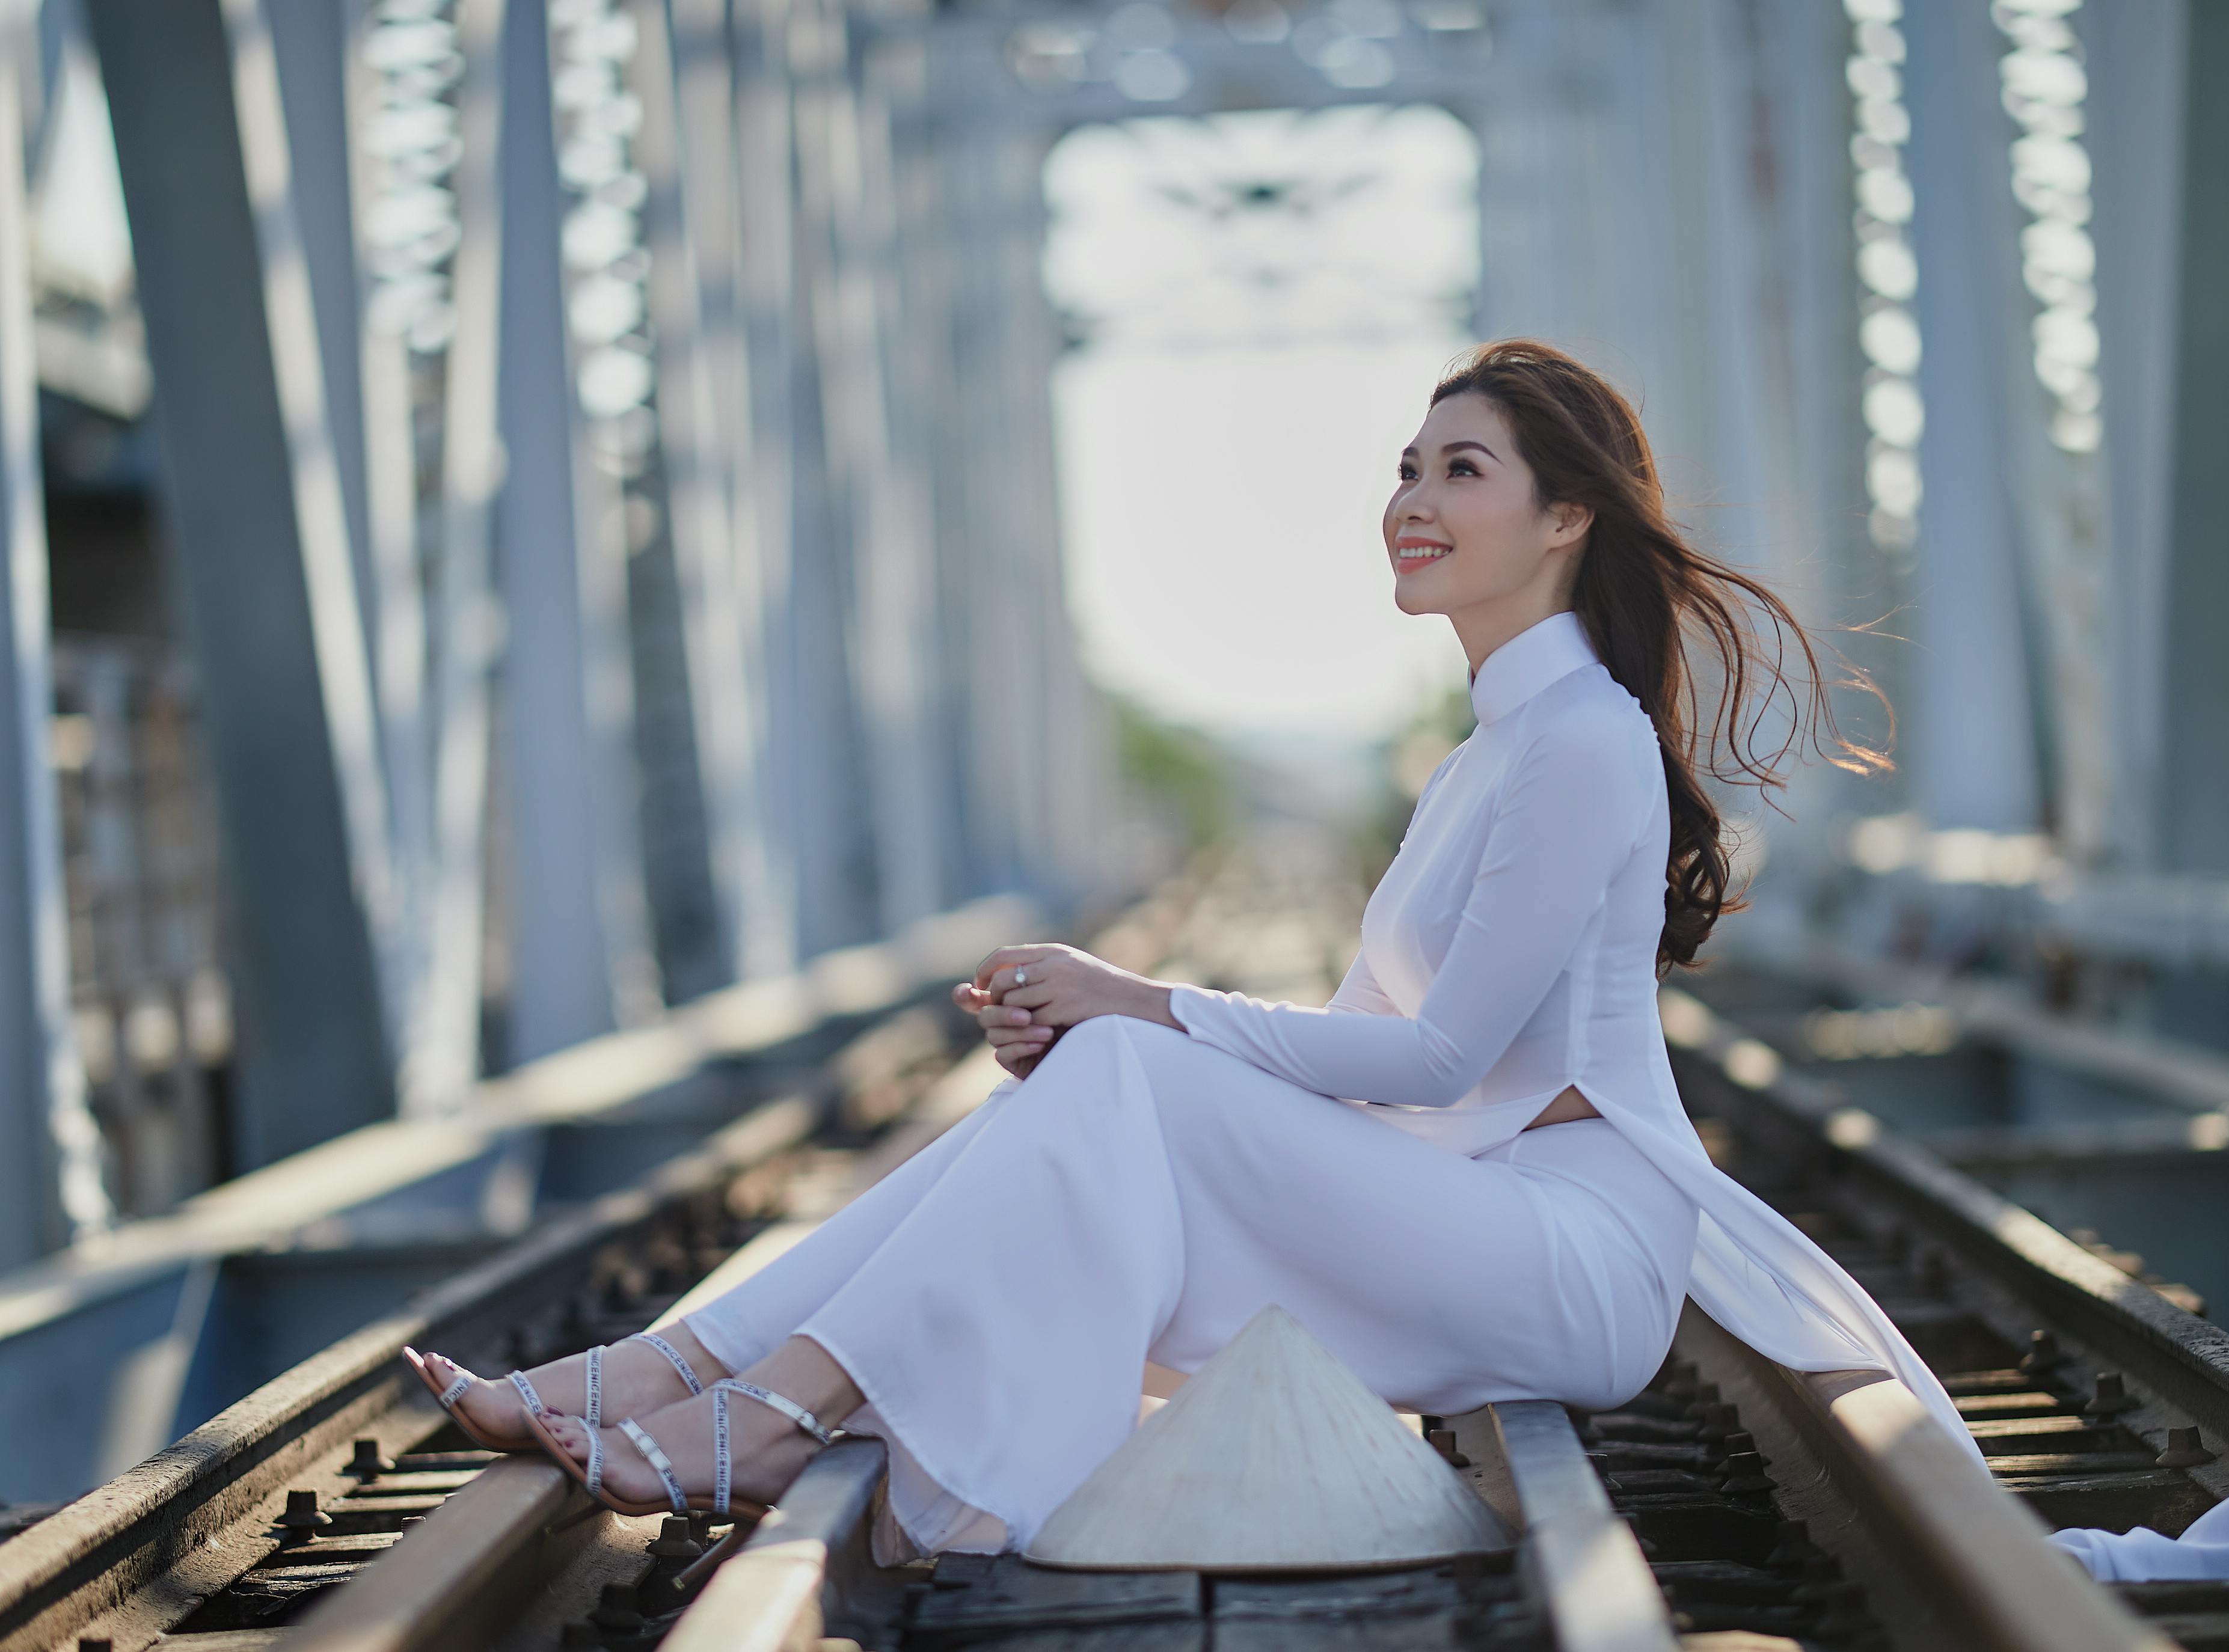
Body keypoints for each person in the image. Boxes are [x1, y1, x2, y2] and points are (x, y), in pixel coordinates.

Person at [408, 337, 1973, 1554]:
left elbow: (1432, 1060)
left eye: (1461, 471)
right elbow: (1367, 1059)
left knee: (1131, 1066)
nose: (1412, 500)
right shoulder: (1493, 748)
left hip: (1572, 1263)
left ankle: (755, 1409)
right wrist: (1112, 1029)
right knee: (1103, 1083)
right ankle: (670, 1371)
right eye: (1407, 465)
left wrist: (1135, 999)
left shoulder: (1578, 742)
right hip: (1476, 1218)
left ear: (1565, 518)